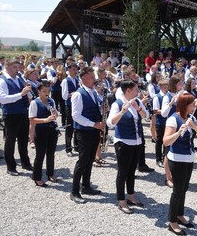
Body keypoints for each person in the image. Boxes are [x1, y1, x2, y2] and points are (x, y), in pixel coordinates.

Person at [163, 93, 197, 235]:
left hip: (188, 158)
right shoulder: (173, 119)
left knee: (184, 188)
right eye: (192, 104)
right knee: (177, 191)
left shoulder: (191, 118)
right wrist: (178, 133)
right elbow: (166, 141)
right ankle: (172, 221)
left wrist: (194, 126)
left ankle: (180, 215)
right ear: (185, 105)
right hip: (177, 159)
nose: (194, 106)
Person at [107, 79, 149, 214]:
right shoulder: (117, 104)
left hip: (136, 142)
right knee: (122, 172)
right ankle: (121, 200)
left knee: (132, 171)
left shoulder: (137, 101)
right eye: (136, 89)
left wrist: (139, 108)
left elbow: (146, 116)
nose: (138, 92)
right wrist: (122, 112)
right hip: (123, 142)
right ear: (128, 90)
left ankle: (131, 196)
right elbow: (110, 123)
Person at [70, 67, 105, 204]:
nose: (94, 79)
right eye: (91, 77)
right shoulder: (78, 94)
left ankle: (86, 186)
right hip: (84, 131)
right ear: (83, 78)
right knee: (82, 161)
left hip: (93, 130)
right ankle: (74, 191)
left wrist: (102, 109)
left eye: (94, 76)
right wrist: (93, 124)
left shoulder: (93, 92)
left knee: (90, 159)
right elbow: (76, 116)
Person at [0, 58, 33, 176]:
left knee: (23, 140)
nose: (17, 70)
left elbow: (27, 95)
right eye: (14, 67)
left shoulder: (19, 79)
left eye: (18, 67)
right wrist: (21, 94)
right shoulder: (2, 81)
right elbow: (3, 99)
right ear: (7, 67)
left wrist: (28, 92)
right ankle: (11, 167)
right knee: (10, 141)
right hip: (11, 115)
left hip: (23, 113)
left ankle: (25, 162)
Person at [29, 82, 59, 187]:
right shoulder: (34, 103)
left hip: (52, 130)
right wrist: (46, 120)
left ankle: (50, 173)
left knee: (51, 153)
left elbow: (56, 114)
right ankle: (37, 177)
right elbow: (32, 120)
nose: (46, 93)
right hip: (41, 131)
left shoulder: (51, 101)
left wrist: (55, 114)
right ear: (39, 91)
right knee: (40, 155)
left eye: (48, 91)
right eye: (44, 91)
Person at [62, 63, 80, 156]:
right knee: (69, 126)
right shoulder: (66, 81)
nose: (75, 71)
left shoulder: (77, 79)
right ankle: (68, 148)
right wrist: (72, 94)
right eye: (73, 69)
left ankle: (76, 146)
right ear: (68, 70)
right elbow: (64, 96)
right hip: (69, 105)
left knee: (76, 125)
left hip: (76, 105)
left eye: (76, 69)